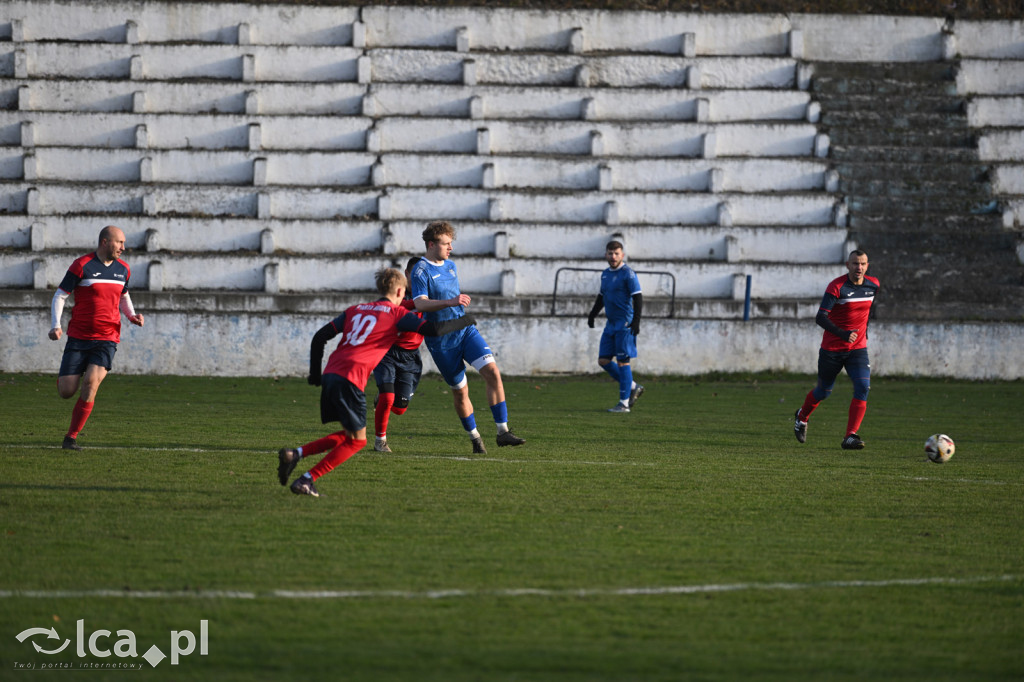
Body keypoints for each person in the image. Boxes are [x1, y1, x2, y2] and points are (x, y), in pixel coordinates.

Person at [278, 267, 476, 497]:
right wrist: (465, 321)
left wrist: (314, 373)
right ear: (401, 290)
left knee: (349, 436)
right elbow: (432, 329)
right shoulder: (395, 314)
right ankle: (306, 479)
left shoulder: (355, 309)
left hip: (332, 373)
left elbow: (320, 337)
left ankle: (295, 455)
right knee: (356, 442)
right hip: (351, 378)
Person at [409, 220, 525, 455]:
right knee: (461, 392)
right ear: (431, 244)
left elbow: (452, 298)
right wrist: (450, 301)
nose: (450, 248)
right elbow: (420, 302)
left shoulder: (451, 265)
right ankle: (475, 437)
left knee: (492, 371)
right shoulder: (420, 270)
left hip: (464, 330)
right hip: (442, 341)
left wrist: (457, 302)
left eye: (451, 243)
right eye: (446, 243)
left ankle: (502, 432)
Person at [48, 225, 145, 450]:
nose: (124, 247)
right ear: (105, 242)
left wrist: (132, 316)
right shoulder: (82, 265)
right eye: (119, 242)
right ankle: (66, 378)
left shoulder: (124, 270)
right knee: (66, 391)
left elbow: (123, 295)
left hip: (107, 337)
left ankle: (70, 437)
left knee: (91, 383)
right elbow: (60, 296)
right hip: (79, 337)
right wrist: (56, 325)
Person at [793, 249, 879, 450]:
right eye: (855, 263)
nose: (859, 267)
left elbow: (865, 313)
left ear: (868, 266)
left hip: (857, 349)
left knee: (863, 387)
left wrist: (862, 333)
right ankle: (802, 416)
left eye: (863, 264)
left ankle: (850, 436)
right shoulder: (837, 287)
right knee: (823, 392)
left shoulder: (873, 285)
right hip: (832, 349)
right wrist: (842, 333)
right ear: (847, 265)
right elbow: (820, 317)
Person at [370, 257, 425, 453]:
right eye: (417, 274)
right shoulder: (399, 292)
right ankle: (380, 441)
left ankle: (383, 399)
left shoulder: (428, 294)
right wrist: (423, 304)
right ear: (408, 274)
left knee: (400, 407)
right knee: (388, 396)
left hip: (410, 357)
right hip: (387, 351)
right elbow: (397, 308)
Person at [587, 240, 644, 413]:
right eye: (610, 253)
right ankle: (633, 386)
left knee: (622, 362)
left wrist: (636, 321)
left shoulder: (628, 274)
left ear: (622, 255)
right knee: (603, 360)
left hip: (625, 324)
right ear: (606, 254)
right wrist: (592, 314)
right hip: (610, 324)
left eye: (616, 253)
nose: (613, 257)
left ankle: (624, 404)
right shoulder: (605, 274)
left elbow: (638, 297)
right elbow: (602, 296)